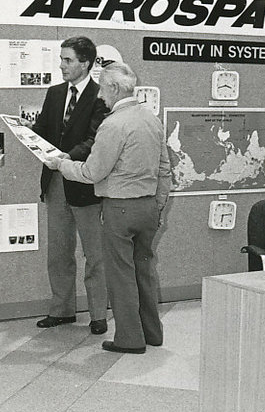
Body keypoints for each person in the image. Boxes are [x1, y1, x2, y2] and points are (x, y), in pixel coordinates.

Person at [43, 62, 171, 354]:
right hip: (148, 208)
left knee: (121, 276)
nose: (100, 96)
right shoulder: (151, 119)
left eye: (102, 88)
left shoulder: (112, 125)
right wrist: (157, 206)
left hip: (119, 210)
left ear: (114, 88)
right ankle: (152, 333)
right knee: (144, 271)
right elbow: (165, 170)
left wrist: (61, 164)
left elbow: (92, 172)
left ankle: (130, 339)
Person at [31, 36, 109, 334]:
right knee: (59, 251)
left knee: (95, 254)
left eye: (68, 60)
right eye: (61, 59)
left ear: (85, 63)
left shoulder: (101, 96)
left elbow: (95, 139)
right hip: (56, 183)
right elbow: (43, 131)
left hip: (86, 183)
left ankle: (98, 315)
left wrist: (67, 157)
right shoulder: (54, 94)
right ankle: (61, 309)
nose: (61, 65)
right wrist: (26, 132)